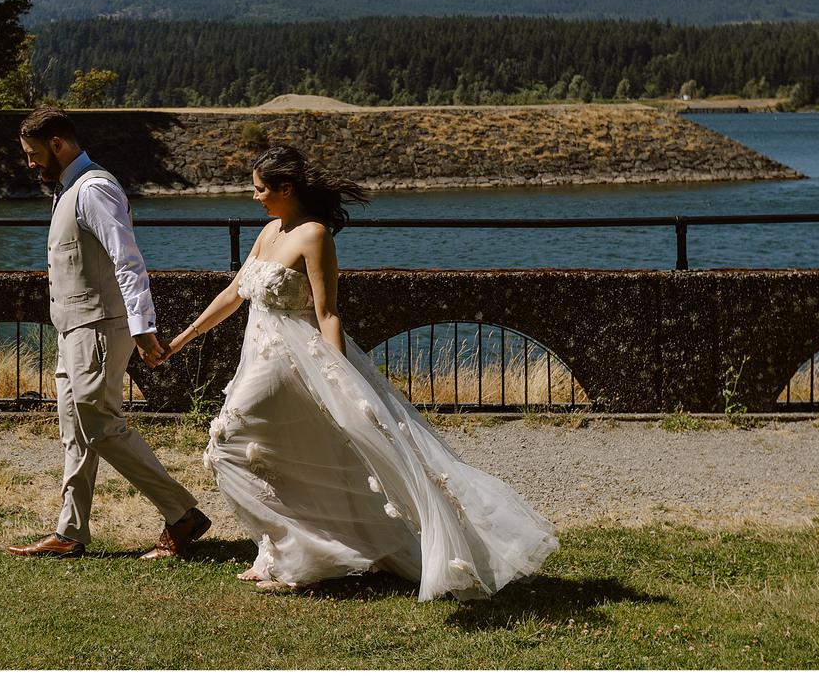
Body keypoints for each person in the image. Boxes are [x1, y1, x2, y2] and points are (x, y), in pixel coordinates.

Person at [164, 145, 558, 598]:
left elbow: (328, 312)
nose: (255, 198)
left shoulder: (314, 235)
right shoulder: (270, 229)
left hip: (294, 362)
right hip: (257, 356)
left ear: (286, 189)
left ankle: (303, 549)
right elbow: (235, 293)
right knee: (274, 451)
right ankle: (286, 549)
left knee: (227, 442)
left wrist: (338, 379)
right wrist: (180, 340)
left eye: (260, 189)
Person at [7, 105, 211, 560]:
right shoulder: (67, 188)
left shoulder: (94, 188)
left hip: (98, 329)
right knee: (75, 431)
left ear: (58, 144)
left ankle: (182, 514)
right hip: (74, 329)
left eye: (33, 153)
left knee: (101, 428)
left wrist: (143, 328)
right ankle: (69, 532)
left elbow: (127, 259)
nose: (30, 163)